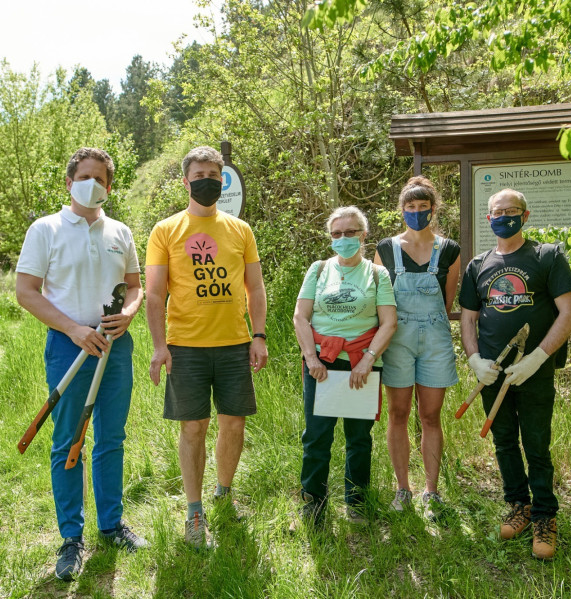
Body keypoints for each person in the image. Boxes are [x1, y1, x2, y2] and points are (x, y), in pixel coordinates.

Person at [16, 147, 146, 581]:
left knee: (112, 437)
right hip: (69, 345)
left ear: (109, 187)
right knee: (68, 440)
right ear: (69, 182)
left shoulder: (121, 232)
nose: (93, 184)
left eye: (102, 179)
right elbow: (27, 292)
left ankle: (111, 526)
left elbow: (134, 286)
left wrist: (128, 314)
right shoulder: (45, 229)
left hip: (115, 347)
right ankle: (71, 538)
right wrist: (73, 330)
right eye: (85, 176)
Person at [144, 145, 268, 550]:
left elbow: (255, 287)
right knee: (193, 428)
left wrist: (259, 334)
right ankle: (194, 511)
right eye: (200, 175)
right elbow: (155, 294)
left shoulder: (240, 230)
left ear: (222, 180)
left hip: (234, 344)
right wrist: (160, 346)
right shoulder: (165, 230)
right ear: (186, 181)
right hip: (186, 347)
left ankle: (224, 493)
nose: (208, 181)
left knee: (234, 424)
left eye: (215, 175)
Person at [458, 188, 571, 560]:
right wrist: (475, 359)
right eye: (497, 211)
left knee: (537, 446)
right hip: (492, 375)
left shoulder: (547, 256)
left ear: (525, 217)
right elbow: (467, 317)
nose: (503, 216)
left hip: (533, 372)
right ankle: (519, 505)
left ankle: (544, 514)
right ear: (489, 217)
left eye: (511, 211)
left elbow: (568, 314)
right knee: (504, 441)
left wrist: (538, 358)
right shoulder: (478, 265)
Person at [292, 206, 397, 530]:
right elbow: (300, 317)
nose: (343, 239)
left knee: (359, 438)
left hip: (361, 363)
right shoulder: (319, 269)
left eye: (350, 232)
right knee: (316, 437)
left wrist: (367, 360)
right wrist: (311, 358)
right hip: (322, 363)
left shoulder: (377, 274)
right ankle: (313, 502)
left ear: (363, 235)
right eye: (336, 234)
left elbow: (389, 322)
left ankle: (357, 502)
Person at [373, 176, 461, 521]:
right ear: (402, 210)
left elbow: (448, 300)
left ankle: (432, 490)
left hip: (435, 339)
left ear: (433, 209)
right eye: (410, 208)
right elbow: (379, 300)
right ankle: (402, 488)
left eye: (423, 208)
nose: (416, 213)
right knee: (398, 413)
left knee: (430, 415)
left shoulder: (449, 250)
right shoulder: (385, 249)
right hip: (396, 337)